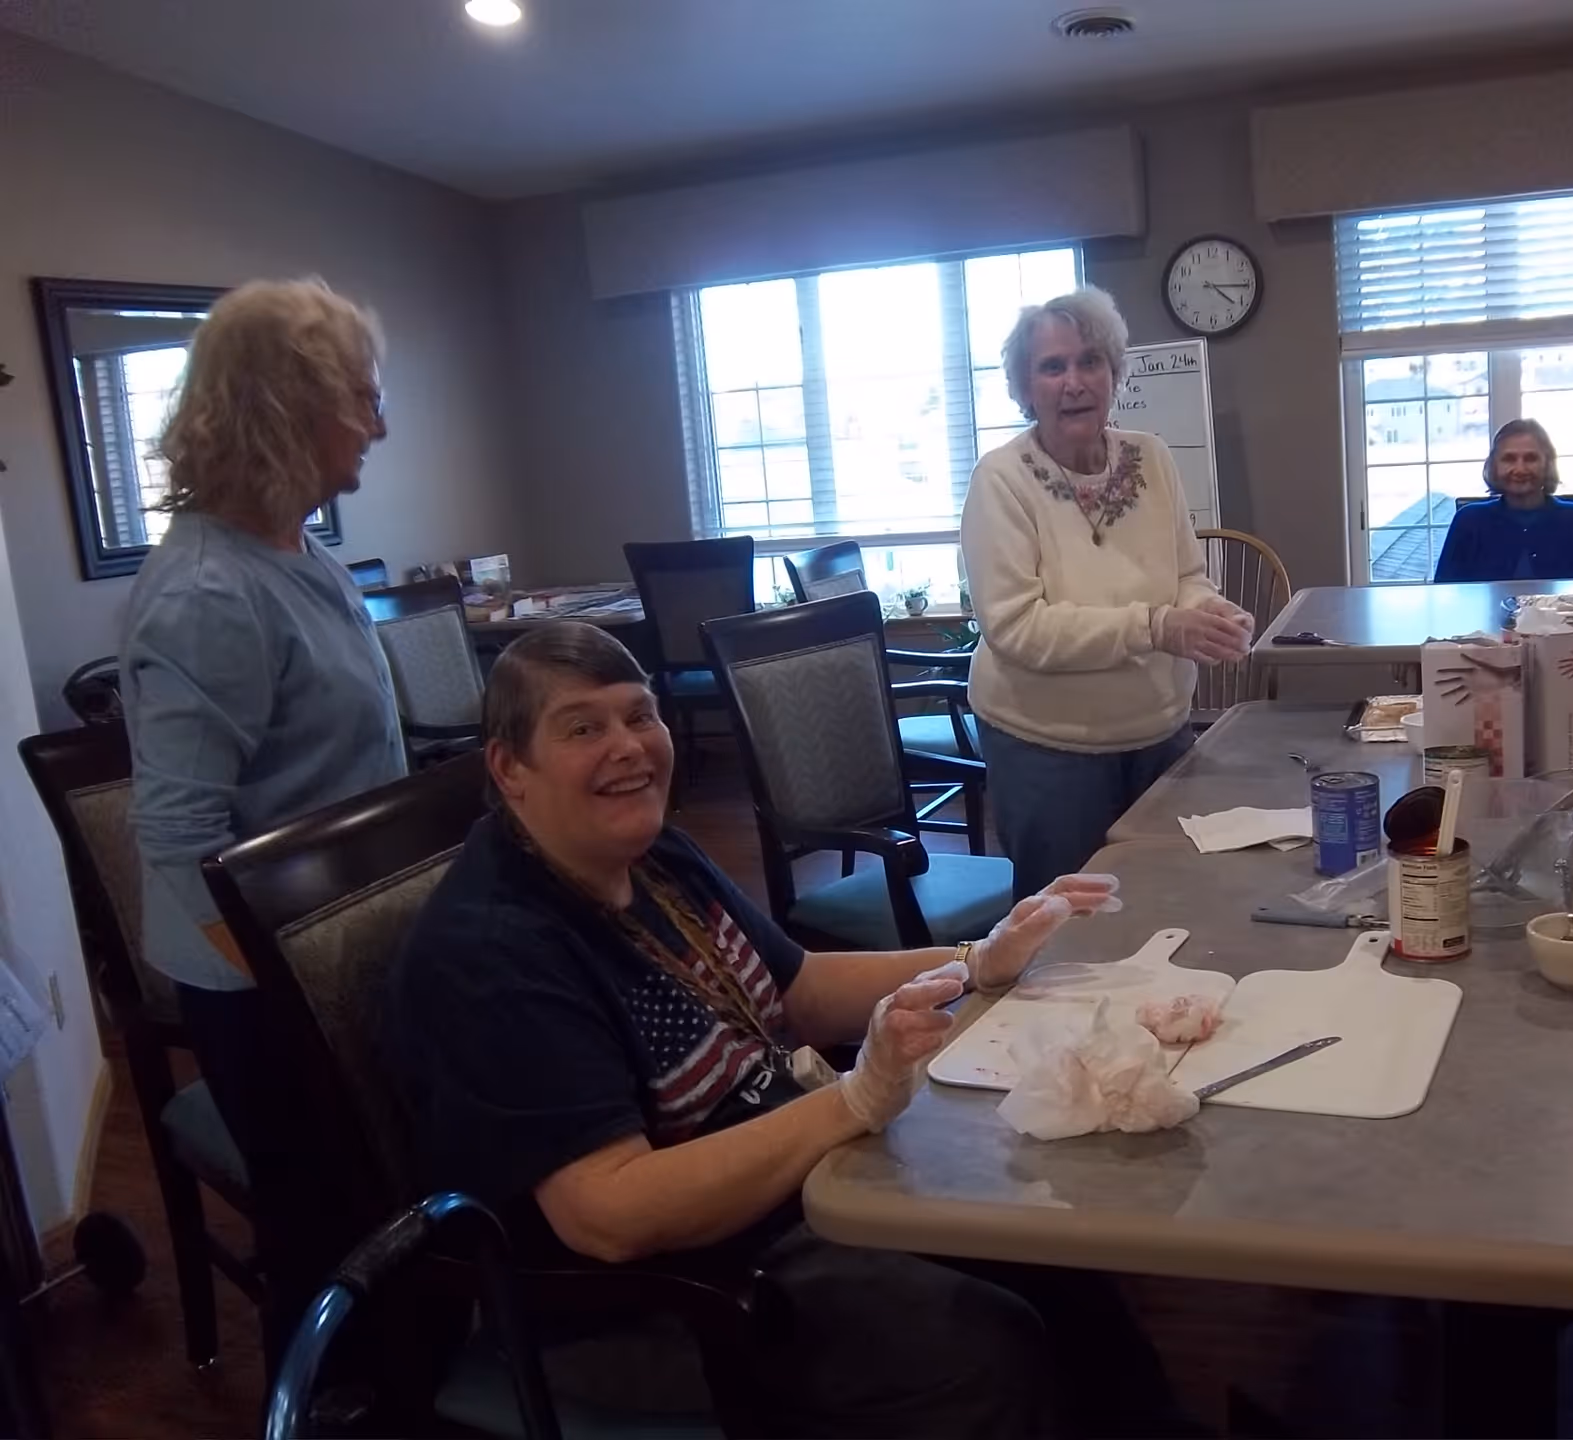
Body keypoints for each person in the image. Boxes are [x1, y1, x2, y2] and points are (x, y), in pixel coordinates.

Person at [389, 622, 1182, 1436]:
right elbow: (611, 1215)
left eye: (640, 715)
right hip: (644, 1305)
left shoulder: (655, 857)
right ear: (508, 768)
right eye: (584, 727)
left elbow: (796, 988)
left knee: (1048, 1249)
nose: (628, 746)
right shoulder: (497, 954)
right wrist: (851, 1102)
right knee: (981, 1344)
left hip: (779, 1193)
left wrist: (977, 959)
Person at [120, 277, 405, 1350]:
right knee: (320, 1220)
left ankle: (404, 1355)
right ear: (290, 406)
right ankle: (329, 1399)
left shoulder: (304, 554)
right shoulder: (206, 596)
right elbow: (182, 843)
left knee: (383, 1189)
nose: (380, 425)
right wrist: (291, 1004)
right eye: (363, 399)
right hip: (261, 980)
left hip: (328, 943)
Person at [961, 286, 1253, 899]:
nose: (1074, 381)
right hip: (1047, 750)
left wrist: (1207, 612)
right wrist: (1157, 626)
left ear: (1114, 372)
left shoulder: (1152, 458)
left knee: (1168, 900)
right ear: (1023, 388)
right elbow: (1016, 627)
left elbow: (1185, 576)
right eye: (1052, 366)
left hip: (1159, 733)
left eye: (1090, 360)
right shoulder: (1001, 480)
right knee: (1067, 934)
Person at [1432, 419, 1573, 583]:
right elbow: (1446, 592)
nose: (1520, 469)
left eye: (1531, 458)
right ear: (1494, 466)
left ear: (1547, 464)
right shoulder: (1469, 520)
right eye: (1509, 459)